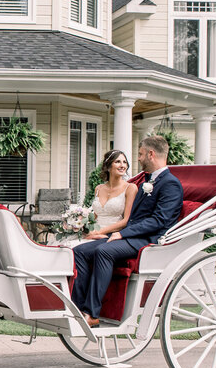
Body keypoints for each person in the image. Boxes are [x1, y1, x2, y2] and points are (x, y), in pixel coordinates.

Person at [70, 135, 183, 326]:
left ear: (151, 154)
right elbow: (131, 217)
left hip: (148, 240)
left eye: (140, 154)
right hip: (131, 236)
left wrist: (122, 233)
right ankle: (78, 307)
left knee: (103, 251)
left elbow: (159, 221)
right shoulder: (147, 181)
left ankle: (92, 313)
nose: (137, 159)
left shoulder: (170, 183)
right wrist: (104, 233)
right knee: (79, 251)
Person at [59, 149, 138, 249]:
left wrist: (99, 232)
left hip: (111, 234)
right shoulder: (99, 188)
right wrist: (80, 224)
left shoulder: (130, 188)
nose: (122, 165)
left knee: (77, 249)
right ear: (108, 166)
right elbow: (95, 215)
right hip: (93, 232)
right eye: (118, 162)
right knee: (64, 246)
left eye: (124, 162)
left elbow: (126, 221)